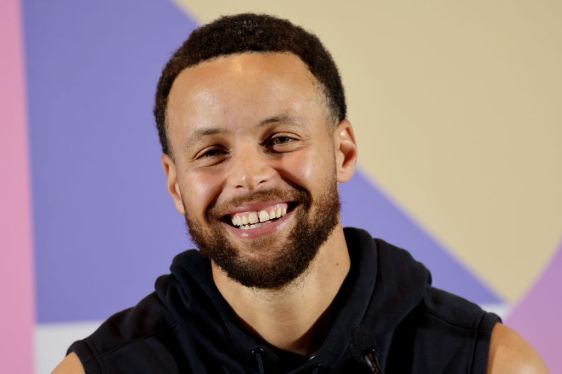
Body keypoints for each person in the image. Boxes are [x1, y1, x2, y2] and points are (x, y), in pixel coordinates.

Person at [54, 13, 548, 373]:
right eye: (211, 152)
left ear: (344, 152)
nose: (249, 177)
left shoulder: (489, 366)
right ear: (174, 184)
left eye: (281, 140)